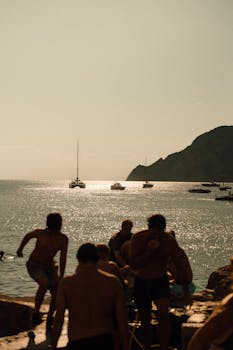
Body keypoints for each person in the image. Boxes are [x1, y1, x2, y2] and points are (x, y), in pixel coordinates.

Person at [129, 214, 192, 350]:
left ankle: (163, 347)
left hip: (160, 280)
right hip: (142, 280)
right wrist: (149, 251)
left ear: (164, 229)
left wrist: (186, 292)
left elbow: (180, 266)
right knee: (145, 319)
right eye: (154, 231)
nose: (157, 234)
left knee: (163, 313)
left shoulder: (169, 241)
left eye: (160, 231)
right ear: (149, 228)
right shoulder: (139, 238)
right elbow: (134, 264)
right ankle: (147, 347)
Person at [50, 242, 129, 350]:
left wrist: (53, 345)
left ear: (78, 259)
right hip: (104, 340)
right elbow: (121, 319)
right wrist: (125, 346)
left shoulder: (67, 283)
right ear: (97, 258)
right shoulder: (112, 281)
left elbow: (59, 318)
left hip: (77, 340)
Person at [16, 212, 68, 329]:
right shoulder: (40, 233)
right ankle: (36, 313)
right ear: (48, 223)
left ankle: (50, 317)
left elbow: (62, 258)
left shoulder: (63, 239)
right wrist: (20, 249)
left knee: (56, 291)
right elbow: (28, 236)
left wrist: (61, 275)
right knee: (44, 284)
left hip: (50, 266)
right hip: (34, 264)